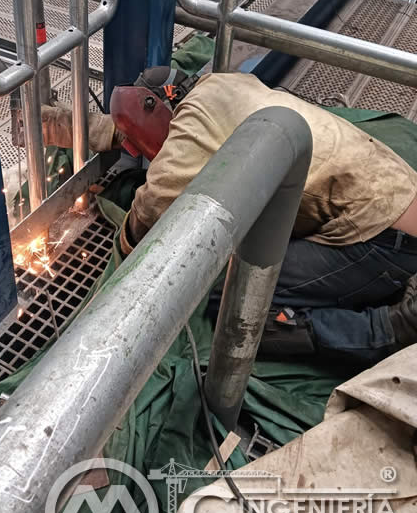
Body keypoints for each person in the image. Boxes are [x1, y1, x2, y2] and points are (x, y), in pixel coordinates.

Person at [40, 70, 417, 365]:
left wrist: (122, 251)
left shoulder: (187, 133)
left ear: (162, 110)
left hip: (379, 240)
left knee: (232, 291)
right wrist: (58, 125)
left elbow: (151, 211)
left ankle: (386, 329)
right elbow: (142, 127)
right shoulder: (219, 85)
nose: (143, 154)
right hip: (393, 187)